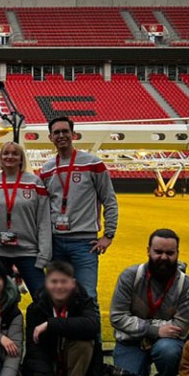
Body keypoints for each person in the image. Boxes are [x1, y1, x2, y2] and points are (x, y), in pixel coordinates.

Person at [40, 116, 118, 305]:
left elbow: (109, 200)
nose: (61, 135)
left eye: (65, 131)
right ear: (50, 137)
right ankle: (62, 334)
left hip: (84, 243)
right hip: (56, 242)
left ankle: (93, 336)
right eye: (56, 132)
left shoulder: (92, 163)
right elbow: (42, 208)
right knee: (57, 296)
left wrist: (108, 235)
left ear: (73, 134)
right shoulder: (47, 168)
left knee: (87, 295)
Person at [110, 228, 189, 376]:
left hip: (167, 342)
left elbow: (180, 328)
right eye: (158, 252)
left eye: (170, 253)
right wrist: (154, 330)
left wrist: (147, 328)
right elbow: (117, 317)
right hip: (132, 341)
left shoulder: (188, 286)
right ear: (148, 251)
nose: (163, 257)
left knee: (168, 351)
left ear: (177, 253)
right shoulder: (129, 276)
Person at [0, 141, 52, 298]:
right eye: (6, 153)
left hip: (28, 250)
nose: (10, 156)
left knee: (43, 297)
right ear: (1, 158)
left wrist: (44, 254)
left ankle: (42, 324)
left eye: (15, 153)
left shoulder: (34, 182)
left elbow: (43, 221)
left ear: (21, 159)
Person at [23, 261, 100, 376]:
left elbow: (92, 326)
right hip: (47, 365)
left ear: (73, 283)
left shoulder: (83, 301)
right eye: (54, 281)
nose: (59, 286)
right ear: (46, 283)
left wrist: (51, 324)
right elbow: (36, 354)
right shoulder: (36, 309)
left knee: (85, 340)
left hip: (70, 363)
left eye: (64, 281)